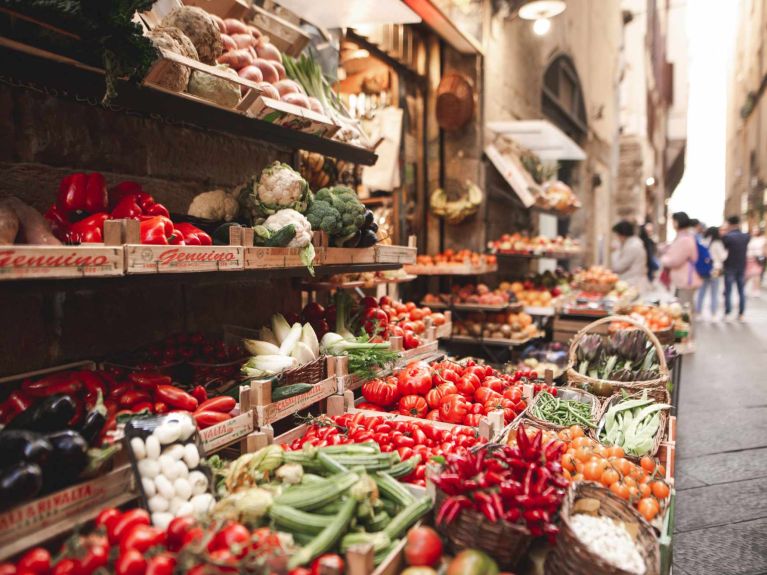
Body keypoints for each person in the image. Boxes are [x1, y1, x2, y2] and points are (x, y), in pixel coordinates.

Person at [660, 212, 701, 311]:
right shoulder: (684, 237)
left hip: (685, 280)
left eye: (673, 221)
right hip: (683, 279)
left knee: (683, 309)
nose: (672, 223)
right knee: (683, 306)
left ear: (678, 222)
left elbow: (675, 261)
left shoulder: (685, 239)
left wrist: (663, 259)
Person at [721, 215, 750, 320]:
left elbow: (723, 251)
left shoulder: (727, 237)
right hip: (741, 266)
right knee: (741, 291)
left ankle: (727, 312)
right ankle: (741, 313)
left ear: (729, 224)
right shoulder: (746, 236)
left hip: (729, 266)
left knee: (728, 291)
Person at [695, 226, 727, 320]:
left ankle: (698, 312)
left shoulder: (703, 241)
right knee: (714, 293)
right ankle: (713, 314)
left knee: (702, 292)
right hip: (715, 270)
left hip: (705, 270)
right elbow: (723, 256)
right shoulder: (717, 243)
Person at [610, 221, 648, 291]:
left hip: (633, 283)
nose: (617, 238)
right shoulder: (633, 243)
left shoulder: (632, 247)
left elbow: (617, 268)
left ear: (622, 235)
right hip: (633, 282)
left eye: (617, 235)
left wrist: (615, 251)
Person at [746, 228, 766, 295]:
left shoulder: (763, 239)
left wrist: (763, 256)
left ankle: (756, 289)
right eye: (753, 231)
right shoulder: (750, 239)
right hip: (749, 258)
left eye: (756, 231)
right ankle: (745, 287)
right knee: (748, 274)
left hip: (758, 258)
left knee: (756, 274)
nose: (755, 232)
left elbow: (764, 249)